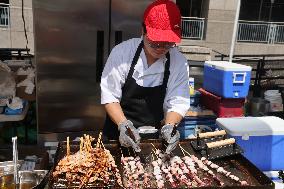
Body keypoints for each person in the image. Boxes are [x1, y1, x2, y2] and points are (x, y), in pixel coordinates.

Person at [100, 0, 190, 154]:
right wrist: (123, 125)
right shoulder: (122, 52)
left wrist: (170, 126)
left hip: (154, 138)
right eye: (155, 43)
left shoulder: (178, 62)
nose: (161, 49)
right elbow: (110, 95)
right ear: (143, 31)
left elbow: (178, 101)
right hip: (117, 133)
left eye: (167, 44)